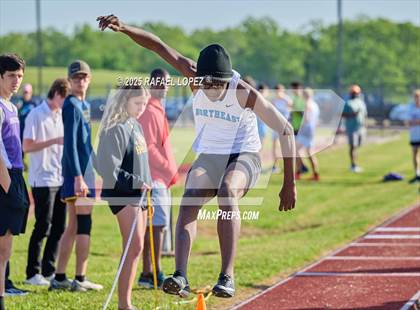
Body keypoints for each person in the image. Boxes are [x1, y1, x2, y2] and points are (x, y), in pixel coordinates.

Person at [98, 14, 296, 299]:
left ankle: (227, 276)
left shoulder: (243, 93)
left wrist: (289, 184)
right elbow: (158, 45)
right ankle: (180, 276)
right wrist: (124, 28)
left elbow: (286, 130)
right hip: (211, 153)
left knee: (228, 189)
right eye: (205, 86)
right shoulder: (192, 74)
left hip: (244, 154)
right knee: (190, 196)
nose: (210, 91)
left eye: (216, 87)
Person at [96, 85, 152, 310]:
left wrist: (150, 195)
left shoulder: (136, 125)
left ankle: (126, 302)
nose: (141, 109)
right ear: (125, 101)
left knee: (137, 248)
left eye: (144, 104)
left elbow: (143, 163)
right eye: (137, 103)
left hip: (140, 196)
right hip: (122, 194)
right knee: (134, 245)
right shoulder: (114, 128)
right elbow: (108, 168)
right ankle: (123, 303)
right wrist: (137, 182)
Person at [49, 60, 102, 292]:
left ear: (89, 79)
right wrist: (79, 177)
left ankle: (59, 277)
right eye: (76, 77)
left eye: (84, 77)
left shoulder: (84, 104)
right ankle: (80, 278)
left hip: (85, 172)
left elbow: (85, 143)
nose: (80, 81)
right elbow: (69, 145)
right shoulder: (71, 104)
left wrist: (100, 166)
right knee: (83, 223)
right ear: (69, 81)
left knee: (72, 225)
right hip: (77, 174)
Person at [23, 79, 70, 286]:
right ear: (58, 93)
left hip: (59, 177)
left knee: (60, 226)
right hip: (41, 179)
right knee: (43, 226)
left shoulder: (60, 115)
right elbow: (27, 146)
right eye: (65, 99)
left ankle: (49, 270)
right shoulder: (36, 114)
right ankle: (33, 273)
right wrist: (54, 141)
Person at [137, 68, 178, 289]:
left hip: (156, 177)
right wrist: (168, 168)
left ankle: (149, 272)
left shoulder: (156, 108)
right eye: (160, 82)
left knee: (154, 226)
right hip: (153, 178)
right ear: (151, 83)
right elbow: (148, 146)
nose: (164, 86)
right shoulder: (150, 110)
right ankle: (153, 272)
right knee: (157, 225)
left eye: (167, 83)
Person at [0, 53, 30, 309]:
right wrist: (8, 186)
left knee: (6, 248)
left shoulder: (13, 106)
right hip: (5, 178)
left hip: (16, 175)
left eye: (19, 76)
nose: (16, 81)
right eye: (11, 76)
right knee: (1, 248)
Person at [295, 88, 320, 181]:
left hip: (306, 130)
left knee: (295, 150)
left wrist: (298, 127)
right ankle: (315, 174)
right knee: (310, 153)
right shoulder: (315, 105)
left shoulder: (307, 104)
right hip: (311, 131)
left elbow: (306, 119)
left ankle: (300, 170)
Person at [342, 84, 367, 173]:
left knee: (358, 145)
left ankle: (354, 163)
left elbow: (364, 115)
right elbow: (342, 114)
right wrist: (352, 115)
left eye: (356, 93)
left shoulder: (361, 102)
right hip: (352, 128)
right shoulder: (348, 103)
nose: (355, 94)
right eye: (353, 93)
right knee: (353, 146)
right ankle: (353, 165)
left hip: (360, 128)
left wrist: (365, 124)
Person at [271, 84, 292, 173]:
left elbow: (292, 107)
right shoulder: (274, 101)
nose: (278, 92)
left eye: (280, 90)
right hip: (276, 125)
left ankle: (288, 166)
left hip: (285, 126)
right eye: (277, 90)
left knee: (285, 146)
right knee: (275, 146)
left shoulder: (287, 99)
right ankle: (275, 166)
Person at [407, 89, 420, 183]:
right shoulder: (411, 108)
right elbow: (408, 122)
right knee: (415, 154)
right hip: (414, 135)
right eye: (416, 97)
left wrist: (415, 122)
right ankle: (417, 173)